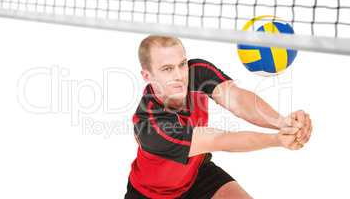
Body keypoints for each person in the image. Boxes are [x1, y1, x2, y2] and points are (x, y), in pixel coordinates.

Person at [124, 35, 313, 199]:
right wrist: (277, 140)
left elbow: (238, 99)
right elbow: (220, 140)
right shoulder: (149, 125)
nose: (180, 75)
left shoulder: (197, 71)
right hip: (152, 194)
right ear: (147, 75)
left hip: (196, 175)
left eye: (182, 64)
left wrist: (282, 123)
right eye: (167, 69)